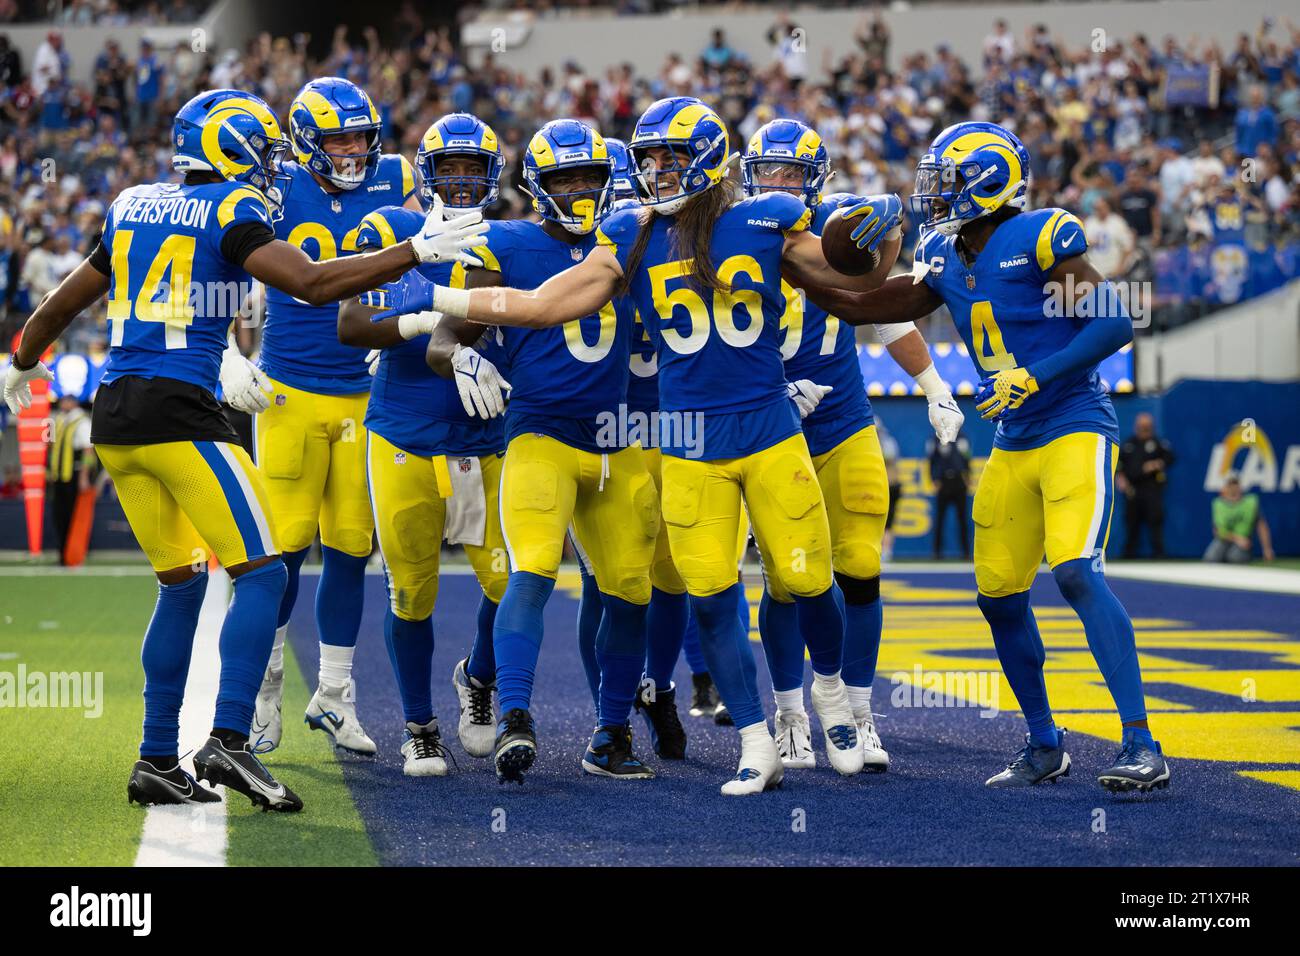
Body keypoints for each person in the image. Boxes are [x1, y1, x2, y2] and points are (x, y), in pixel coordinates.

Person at [373, 96, 903, 795]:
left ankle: (815, 695)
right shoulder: (623, 232)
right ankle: (726, 734)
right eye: (646, 158)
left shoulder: (757, 218)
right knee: (666, 589)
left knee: (773, 581)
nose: (654, 172)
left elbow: (854, 280)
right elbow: (542, 305)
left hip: (713, 430)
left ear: (707, 158)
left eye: (669, 158)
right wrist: (442, 311)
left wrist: (888, 241)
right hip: (623, 436)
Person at [2, 88, 483, 811]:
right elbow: (315, 286)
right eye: (263, 150)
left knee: (181, 583)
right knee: (260, 576)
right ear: (232, 148)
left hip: (116, 414)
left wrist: (20, 359)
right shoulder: (231, 208)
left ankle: (156, 757)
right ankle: (228, 741)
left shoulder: (133, 201)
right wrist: (413, 251)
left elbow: (69, 300)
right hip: (179, 411)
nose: (272, 166)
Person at [787, 121, 1170, 794]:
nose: (935, 195)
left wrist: (1038, 374)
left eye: (949, 181)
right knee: (997, 598)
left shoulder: (1042, 234)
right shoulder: (942, 248)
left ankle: (1142, 744)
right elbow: (871, 306)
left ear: (991, 180)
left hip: (1073, 422)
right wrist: (798, 269)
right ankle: (1045, 743)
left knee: (1077, 572)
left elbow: (1112, 323)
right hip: (1013, 440)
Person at [426, 119, 660, 783]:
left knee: (630, 593)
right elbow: (446, 335)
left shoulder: (632, 236)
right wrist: (459, 360)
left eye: (590, 176)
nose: (581, 188)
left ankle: (610, 735)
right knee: (530, 572)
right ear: (537, 185)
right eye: (566, 178)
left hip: (619, 442)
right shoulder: (507, 241)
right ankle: (514, 718)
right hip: (541, 434)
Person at [740, 118, 964, 773]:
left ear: (815, 181)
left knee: (860, 567)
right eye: (770, 171)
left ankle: (858, 713)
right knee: (787, 581)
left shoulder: (838, 228)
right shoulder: (733, 234)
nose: (778, 184)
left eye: (791, 173)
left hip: (844, 423)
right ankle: (787, 717)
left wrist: (932, 385)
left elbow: (887, 313)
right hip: (772, 434)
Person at [244, 77, 422, 758]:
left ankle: (335, 694)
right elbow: (228, 259)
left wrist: (412, 329)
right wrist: (233, 351)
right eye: (337, 138)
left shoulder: (398, 179)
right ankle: (264, 686)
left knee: (351, 545)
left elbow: (428, 255)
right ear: (305, 141)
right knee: (285, 549)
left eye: (360, 137)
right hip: (288, 388)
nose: (351, 151)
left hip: (363, 391)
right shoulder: (276, 185)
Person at [335, 112, 511, 777]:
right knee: (411, 592)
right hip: (406, 436)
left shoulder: (509, 241)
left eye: (473, 168)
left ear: (492, 174)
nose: (462, 180)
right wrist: (422, 319)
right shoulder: (392, 230)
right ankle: (420, 727)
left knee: (512, 580)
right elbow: (351, 322)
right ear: (428, 173)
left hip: (486, 437)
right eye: (450, 167)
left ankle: (480, 676)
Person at [1118, 412, 1175, 558]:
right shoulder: (1129, 444)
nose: (1144, 430)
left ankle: (1159, 554)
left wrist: (1158, 463)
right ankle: (1128, 554)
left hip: (1152, 490)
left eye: (1147, 427)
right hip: (1133, 491)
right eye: (1142, 427)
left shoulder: (1157, 443)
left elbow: (1170, 457)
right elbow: (1119, 464)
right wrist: (1120, 477)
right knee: (1132, 524)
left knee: (1155, 522)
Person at [1204, 473, 1274, 563]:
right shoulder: (1218, 504)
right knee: (1210, 558)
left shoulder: (1250, 503)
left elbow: (1262, 526)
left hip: (1244, 542)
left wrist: (1267, 549)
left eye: (1235, 484)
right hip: (1224, 540)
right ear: (1224, 488)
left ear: (1240, 487)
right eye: (1229, 485)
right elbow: (1217, 531)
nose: (1233, 488)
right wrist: (1237, 539)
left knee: (1235, 558)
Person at [927, 428, 971, 560]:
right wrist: (934, 479)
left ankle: (966, 552)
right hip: (943, 482)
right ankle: (937, 553)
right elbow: (931, 459)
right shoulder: (936, 437)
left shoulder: (962, 437)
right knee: (940, 519)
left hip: (959, 481)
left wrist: (967, 476)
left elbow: (967, 458)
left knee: (962, 519)